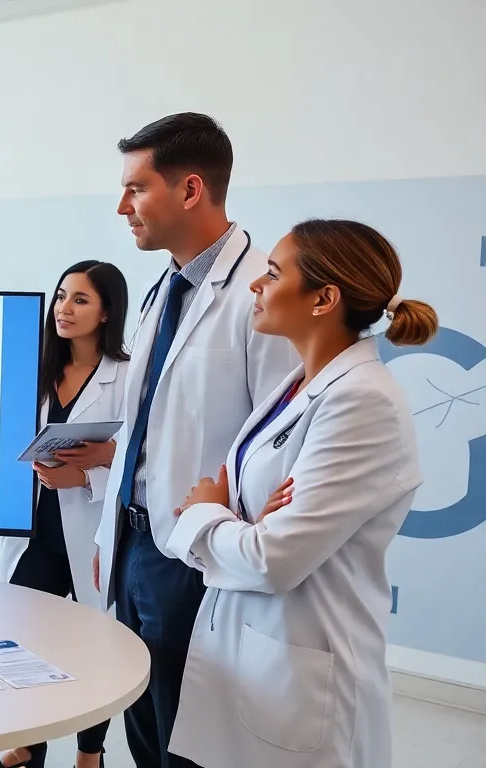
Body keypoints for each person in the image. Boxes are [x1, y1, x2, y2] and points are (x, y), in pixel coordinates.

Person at [166, 220, 435, 768]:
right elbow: (260, 532)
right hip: (252, 655)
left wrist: (205, 515)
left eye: (272, 272)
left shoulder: (363, 402)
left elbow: (272, 559)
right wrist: (242, 523)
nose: (254, 286)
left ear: (324, 299)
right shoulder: (298, 386)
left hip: (302, 672)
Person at [90, 113, 297, 768]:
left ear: (190, 190)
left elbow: (282, 436)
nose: (123, 206)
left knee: (189, 733)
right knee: (143, 717)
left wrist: (234, 527)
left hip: (194, 554)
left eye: (137, 188)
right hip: (133, 540)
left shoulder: (262, 291)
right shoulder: (168, 285)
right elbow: (154, 417)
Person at [0, 261, 131, 768]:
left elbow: (140, 457)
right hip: (36, 533)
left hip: (92, 532)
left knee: (92, 649)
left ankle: (88, 757)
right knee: (23, 646)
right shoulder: (36, 367)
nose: (64, 310)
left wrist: (86, 476)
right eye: (61, 297)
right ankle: (25, 750)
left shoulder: (126, 377)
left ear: (107, 312)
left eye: (80, 300)